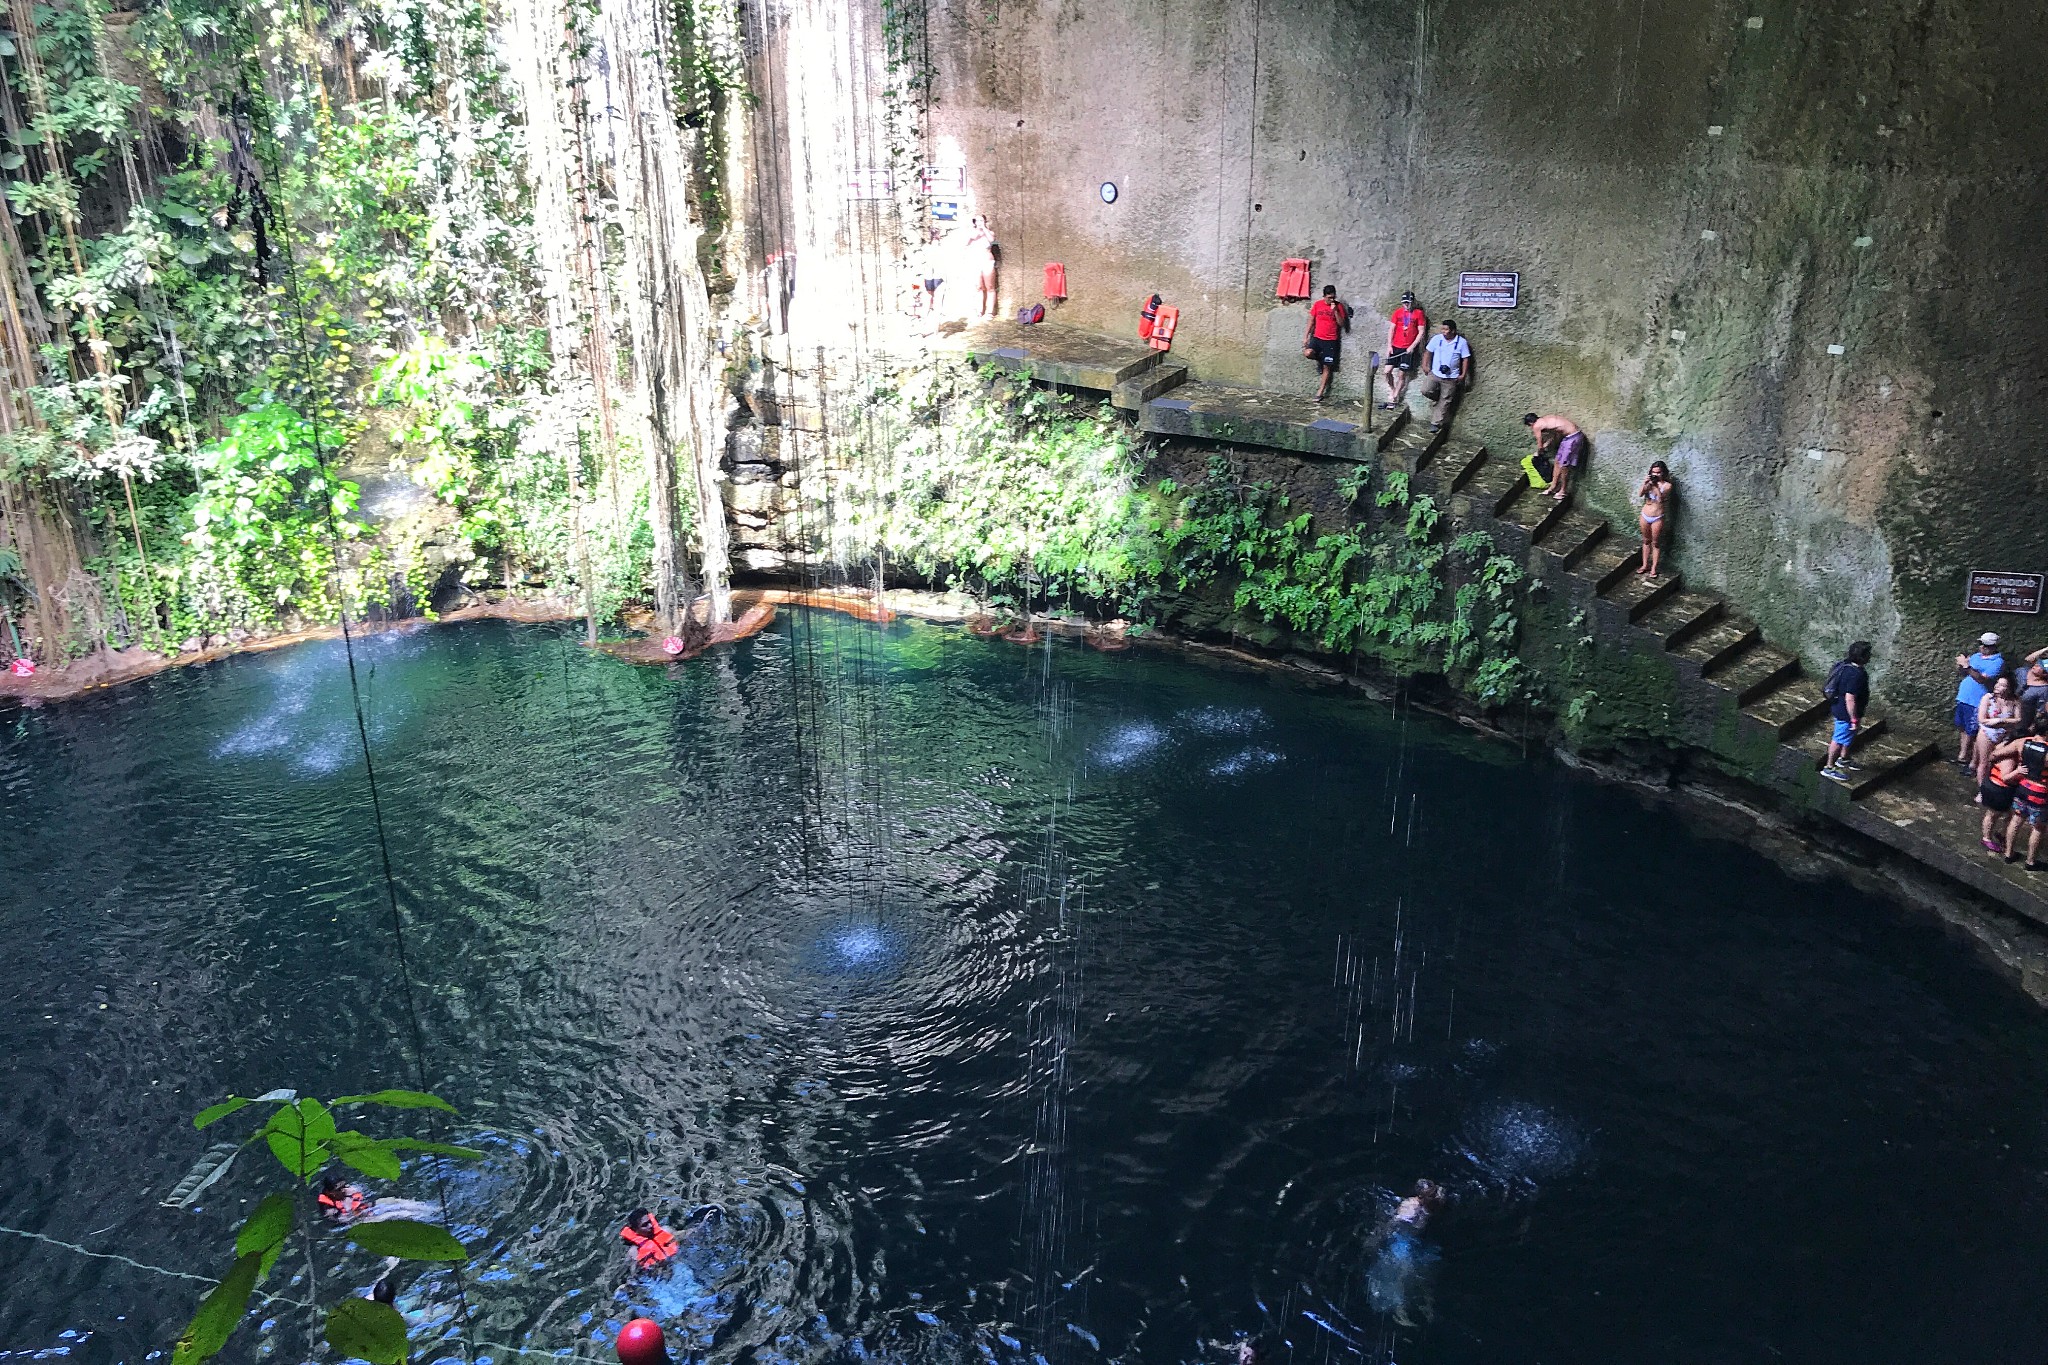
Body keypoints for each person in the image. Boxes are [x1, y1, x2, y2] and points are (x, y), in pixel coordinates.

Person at [1820, 640, 1872, 782]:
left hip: (1842, 708)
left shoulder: (1847, 666)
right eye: (1868, 654)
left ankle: (1844, 759)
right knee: (1838, 739)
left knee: (1848, 735)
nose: (1870, 656)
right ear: (1862, 657)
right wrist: (1853, 718)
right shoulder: (1856, 675)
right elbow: (1850, 698)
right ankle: (1829, 767)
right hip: (1846, 713)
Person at [1953, 632, 2006, 766]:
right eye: (1981, 644)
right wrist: (1961, 665)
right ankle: (1963, 755)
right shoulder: (1976, 656)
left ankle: (1973, 762)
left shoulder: (1997, 662)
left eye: (1986, 645)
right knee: (1963, 727)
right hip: (1964, 696)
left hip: (1977, 700)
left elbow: (1981, 679)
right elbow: (1964, 672)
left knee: (1975, 731)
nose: (1982, 647)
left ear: (1993, 646)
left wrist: (1967, 666)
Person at [2003, 725, 2048, 872]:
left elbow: (1997, 753)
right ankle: (2030, 862)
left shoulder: (2024, 743)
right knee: (2038, 827)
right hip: (2040, 791)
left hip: (2023, 786)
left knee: (2016, 820)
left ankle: (2008, 853)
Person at [1417, 320, 1470, 432]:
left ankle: (1435, 423)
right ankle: (1440, 400)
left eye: (1446, 330)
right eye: (1443, 329)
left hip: (1451, 377)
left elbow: (1465, 359)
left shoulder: (1461, 342)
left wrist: (1463, 375)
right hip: (1435, 373)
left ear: (1453, 330)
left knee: (1445, 401)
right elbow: (1428, 352)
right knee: (1425, 390)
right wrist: (1424, 365)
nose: (1443, 332)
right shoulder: (1437, 339)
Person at [1301, 284, 1350, 402]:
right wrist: (1306, 336)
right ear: (1324, 296)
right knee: (1307, 353)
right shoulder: (1318, 305)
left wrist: (1335, 311)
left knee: (1327, 367)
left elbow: (1342, 324)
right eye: (1329, 298)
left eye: (1333, 297)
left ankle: (1320, 392)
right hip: (1317, 338)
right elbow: (1311, 321)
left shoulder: (1338, 307)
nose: (1331, 300)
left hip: (1331, 340)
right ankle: (1320, 359)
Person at [1378, 291, 1427, 410]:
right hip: (1396, 346)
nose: (1406, 305)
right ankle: (1393, 389)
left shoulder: (1418, 314)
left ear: (1413, 302)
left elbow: (1421, 331)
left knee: (1401, 374)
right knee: (1387, 371)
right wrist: (1389, 345)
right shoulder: (1398, 312)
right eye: (1404, 303)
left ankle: (1394, 397)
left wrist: (1413, 346)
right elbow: (1392, 329)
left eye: (1408, 302)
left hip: (1408, 348)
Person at [1520, 413, 1584, 502]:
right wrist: (1547, 445)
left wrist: (1538, 453)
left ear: (1531, 423)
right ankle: (1553, 487)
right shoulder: (1546, 419)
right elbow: (1556, 435)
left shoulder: (1536, 426)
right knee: (1557, 461)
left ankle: (1563, 491)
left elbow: (1540, 445)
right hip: (1569, 437)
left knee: (1564, 466)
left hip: (1572, 438)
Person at [1975, 675, 2022, 786]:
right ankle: (1982, 790)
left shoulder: (2015, 701)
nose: (1997, 686)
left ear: (2009, 688)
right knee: (1984, 763)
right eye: (1997, 683)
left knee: (1995, 761)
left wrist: (2001, 720)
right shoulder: (1988, 698)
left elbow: (2019, 719)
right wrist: (1998, 722)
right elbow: (1981, 719)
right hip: (1987, 733)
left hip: (2005, 735)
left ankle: (1991, 785)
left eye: (2002, 685)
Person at [1981, 746, 2022, 853]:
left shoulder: (2003, 748)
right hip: (1998, 789)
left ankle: (2003, 835)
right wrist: (2018, 771)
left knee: (2011, 815)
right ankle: (1986, 838)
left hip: (2002, 789)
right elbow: (2005, 777)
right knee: (1992, 814)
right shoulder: (2009, 758)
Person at [1635, 461, 1673, 575]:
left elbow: (1660, 499)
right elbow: (1640, 494)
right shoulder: (1649, 482)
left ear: (1663, 473)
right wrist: (1645, 483)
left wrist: (1656, 486)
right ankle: (1645, 565)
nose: (1656, 475)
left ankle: (1654, 568)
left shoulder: (1667, 486)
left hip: (1657, 516)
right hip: (1645, 514)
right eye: (1653, 472)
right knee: (1646, 540)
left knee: (1656, 543)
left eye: (1658, 472)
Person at [965, 216, 998, 319]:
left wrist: (984, 228)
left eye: (981, 220)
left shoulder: (989, 233)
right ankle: (979, 311)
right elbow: (967, 242)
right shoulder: (972, 233)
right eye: (977, 220)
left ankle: (989, 312)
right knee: (978, 287)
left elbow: (992, 240)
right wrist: (976, 232)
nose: (979, 222)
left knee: (990, 287)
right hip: (976, 262)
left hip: (987, 261)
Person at [2019, 646, 2048, 731]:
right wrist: (2046, 649)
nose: (2035, 665)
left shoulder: (2043, 689)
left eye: (2039, 666)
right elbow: (2028, 659)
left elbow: (2041, 711)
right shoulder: (2023, 673)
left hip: (2027, 722)